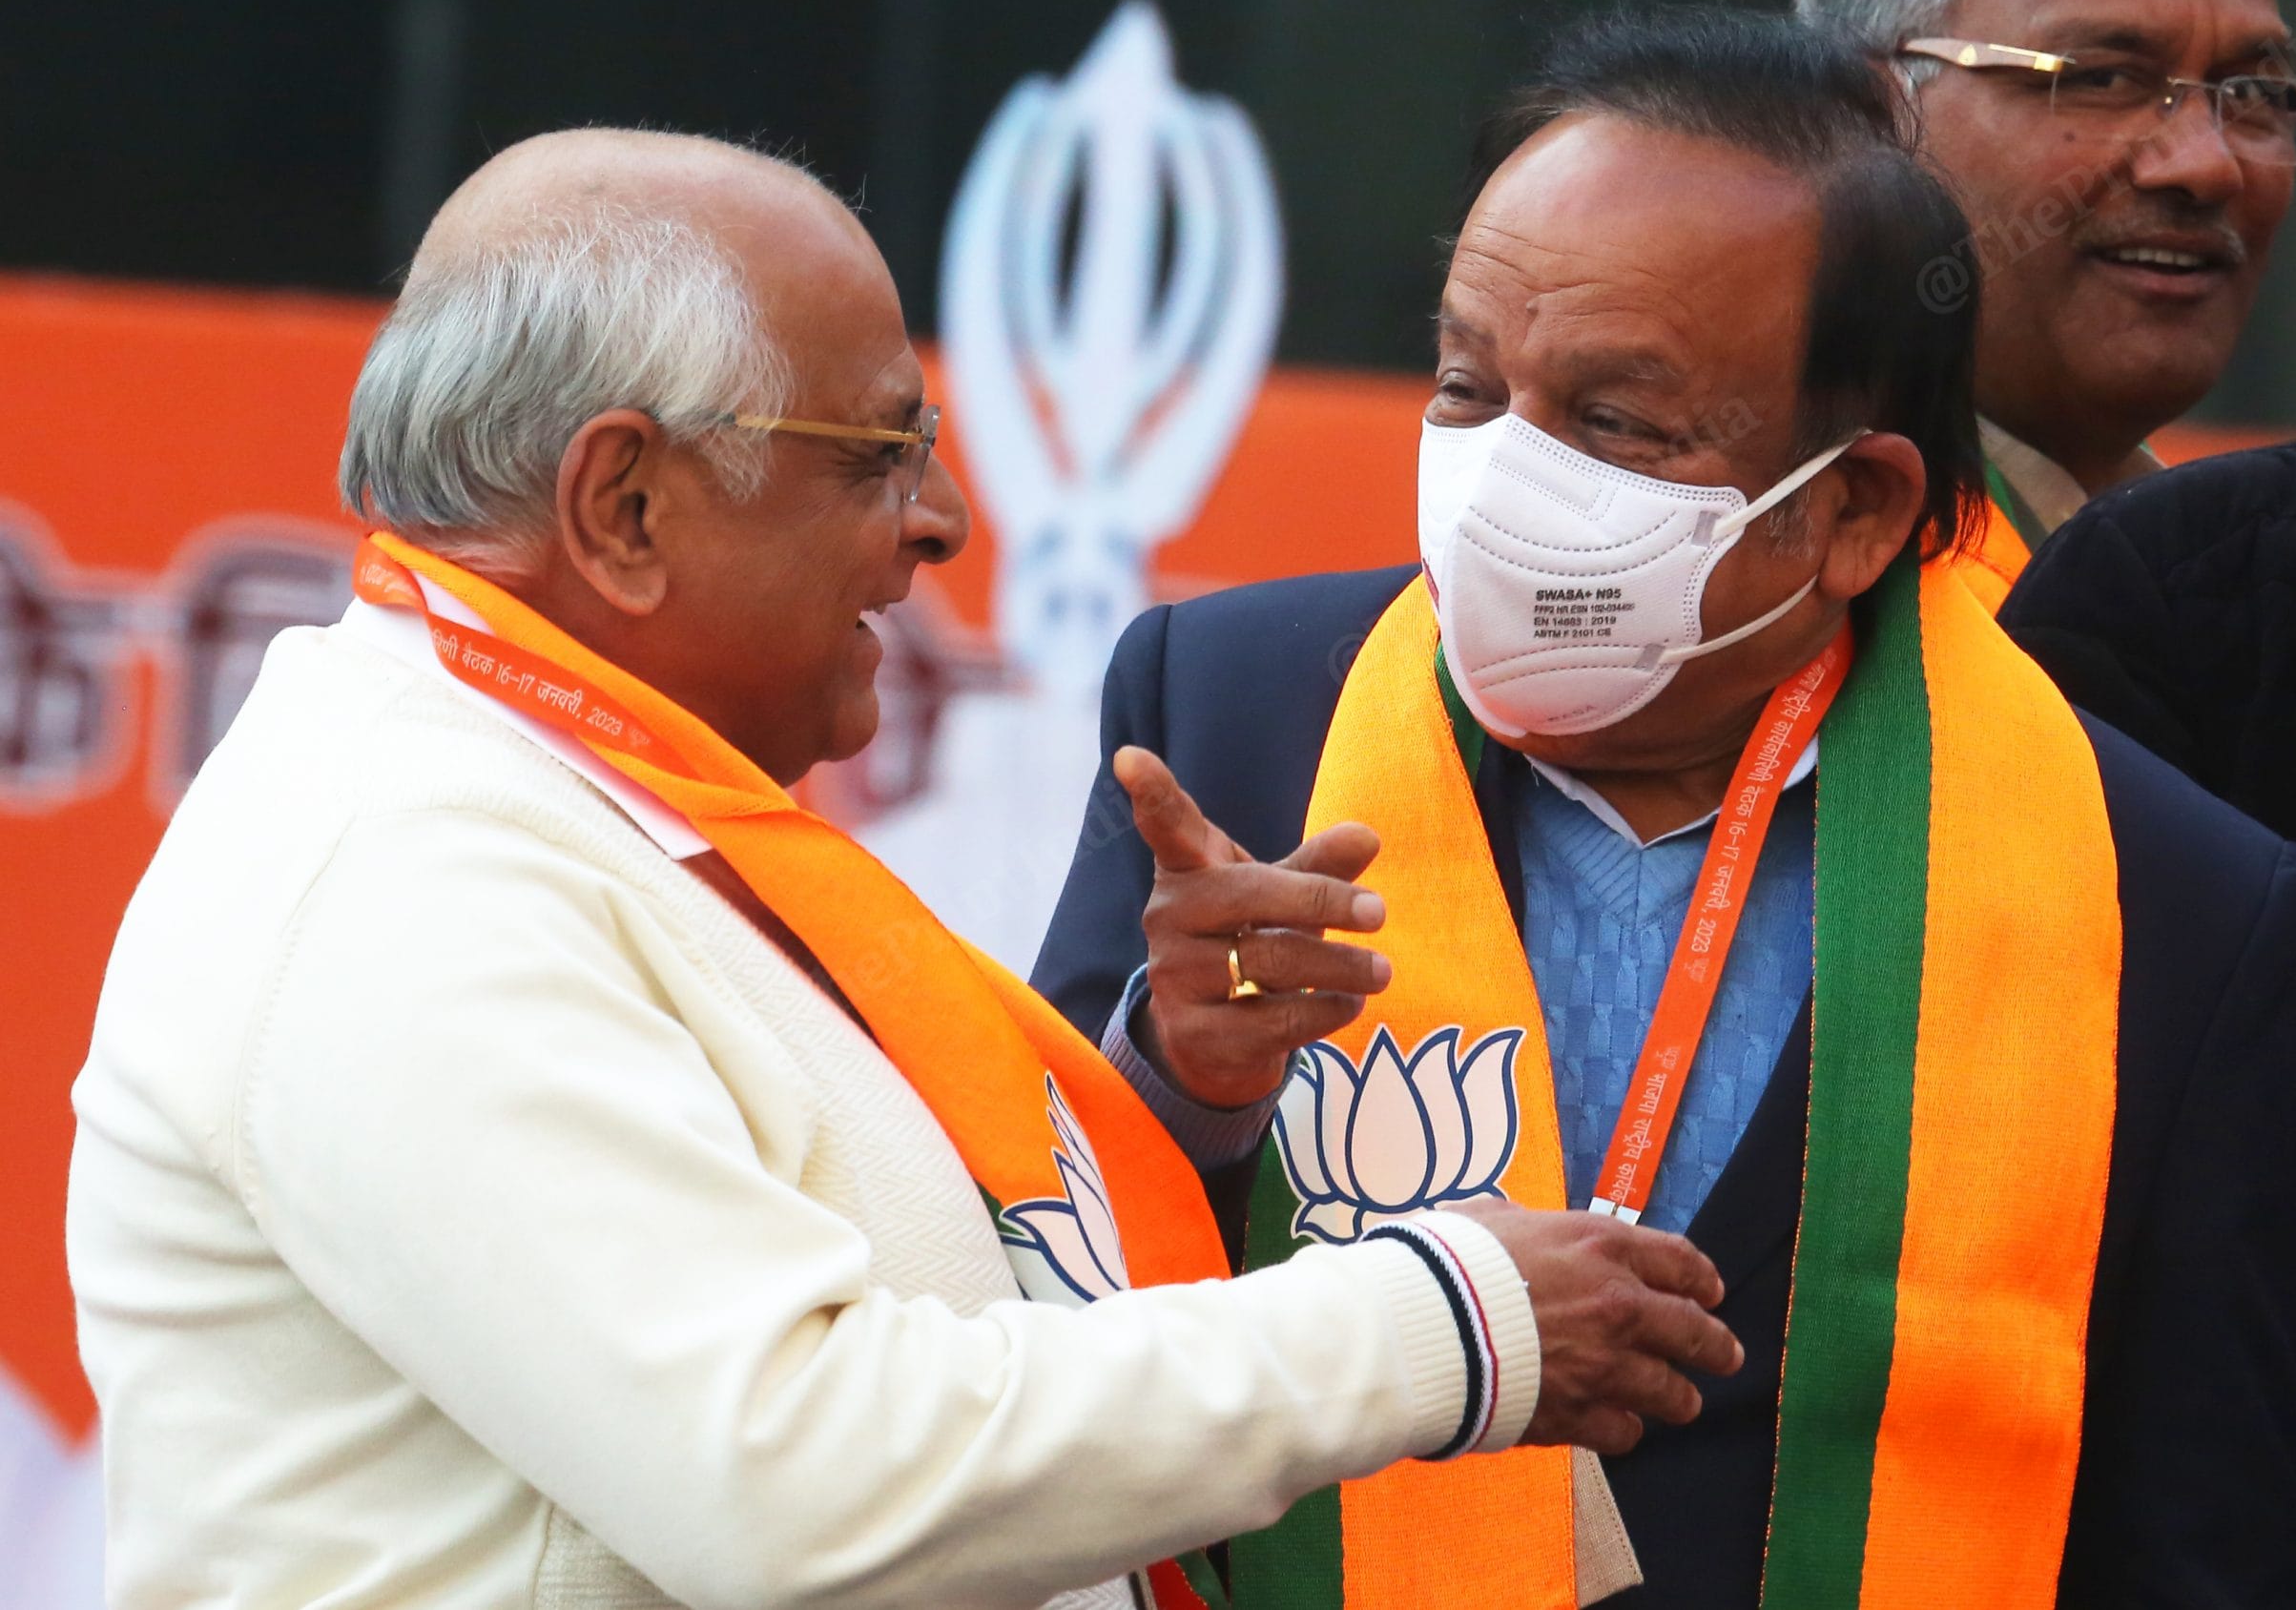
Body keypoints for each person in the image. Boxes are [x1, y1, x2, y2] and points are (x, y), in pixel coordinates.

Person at [63, 129, 1742, 1610]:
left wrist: (1167, 1093)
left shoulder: (584, 808)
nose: (941, 515)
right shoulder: (401, 873)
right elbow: (797, 1476)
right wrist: (1445, 1323)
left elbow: (909, 1311)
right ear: (626, 503)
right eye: (875, 451)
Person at [1036, 4, 2296, 1608]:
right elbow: (1016, 1333)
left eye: (1615, 424)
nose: (1504, 476)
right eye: (1466, 382)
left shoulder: (2174, 899)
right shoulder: (1228, 711)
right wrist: (1182, 1080)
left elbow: (2216, 1535)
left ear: (1851, 509)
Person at [2001, 0, 2296, 1597]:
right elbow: (2054, 1188)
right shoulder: (2174, 598)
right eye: (2098, 77)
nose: (2195, 162)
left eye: (2255, 95)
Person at [1795, 0, 2296, 601]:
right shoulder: (1750, 573)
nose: (2207, 165)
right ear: (1871, 111)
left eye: (2251, 93)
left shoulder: (2287, 592)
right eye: (2103, 80)